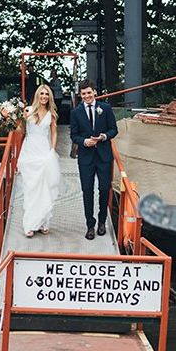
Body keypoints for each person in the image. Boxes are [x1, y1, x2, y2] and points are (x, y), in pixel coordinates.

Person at [69, 79, 118, 240]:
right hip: (86, 158)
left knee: (104, 189)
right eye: (83, 94)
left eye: (89, 93)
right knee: (87, 191)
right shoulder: (75, 113)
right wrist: (84, 141)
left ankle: (102, 221)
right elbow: (73, 135)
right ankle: (90, 225)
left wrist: (104, 136)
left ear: (95, 92)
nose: (87, 96)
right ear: (80, 95)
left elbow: (114, 130)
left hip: (104, 157)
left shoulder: (105, 108)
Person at [17, 84, 61, 237]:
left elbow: (54, 133)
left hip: (44, 150)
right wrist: (13, 120)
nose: (43, 96)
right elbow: (20, 131)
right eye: (41, 93)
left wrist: (52, 150)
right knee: (31, 188)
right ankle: (29, 223)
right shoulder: (28, 110)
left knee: (44, 188)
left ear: (49, 97)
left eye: (46, 94)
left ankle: (43, 222)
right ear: (37, 95)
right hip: (29, 151)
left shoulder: (52, 113)